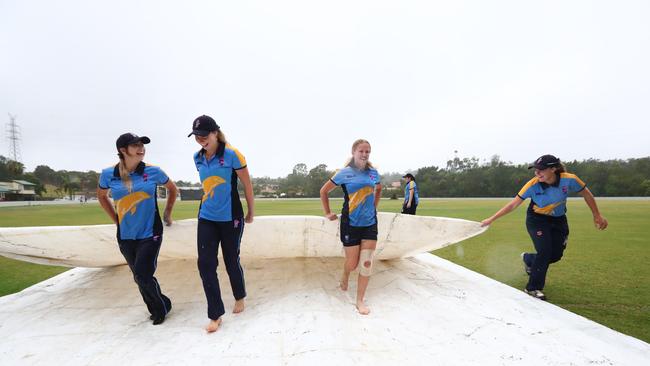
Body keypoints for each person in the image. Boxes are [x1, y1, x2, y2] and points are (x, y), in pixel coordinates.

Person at [480, 154, 608, 300]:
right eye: (536, 170)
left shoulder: (570, 180)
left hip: (559, 220)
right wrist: (491, 219)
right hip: (537, 220)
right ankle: (533, 288)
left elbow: (586, 194)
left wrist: (597, 215)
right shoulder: (532, 185)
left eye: (541, 169)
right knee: (545, 251)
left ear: (553, 169)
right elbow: (513, 204)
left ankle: (529, 259)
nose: (537, 173)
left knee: (555, 255)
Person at [97, 133, 178, 325]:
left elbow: (173, 189)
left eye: (142, 144)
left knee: (142, 274)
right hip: (125, 234)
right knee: (138, 276)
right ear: (123, 150)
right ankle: (159, 304)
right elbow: (101, 196)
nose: (141, 148)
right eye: (135, 145)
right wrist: (116, 219)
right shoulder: (108, 174)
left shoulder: (153, 171)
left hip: (151, 232)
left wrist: (167, 213)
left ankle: (161, 309)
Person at [188, 115, 254, 333]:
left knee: (230, 260)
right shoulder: (197, 158)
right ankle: (215, 314)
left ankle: (239, 296)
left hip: (231, 217)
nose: (200, 140)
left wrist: (251, 211)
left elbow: (246, 184)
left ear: (215, 132)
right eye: (196, 136)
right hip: (206, 216)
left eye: (204, 135)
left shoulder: (233, 154)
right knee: (205, 265)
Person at [320, 139, 382, 315]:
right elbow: (323, 191)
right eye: (361, 151)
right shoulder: (343, 173)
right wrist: (327, 212)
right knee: (352, 264)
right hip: (350, 223)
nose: (364, 154)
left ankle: (360, 300)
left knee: (367, 262)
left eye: (367, 151)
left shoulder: (373, 173)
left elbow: (378, 189)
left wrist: (374, 207)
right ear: (354, 152)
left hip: (370, 223)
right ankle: (345, 274)